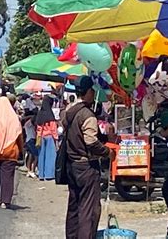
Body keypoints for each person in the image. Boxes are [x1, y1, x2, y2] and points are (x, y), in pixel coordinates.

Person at [63, 76, 114, 239]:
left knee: (74, 206)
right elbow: (91, 141)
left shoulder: (68, 112)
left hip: (72, 164)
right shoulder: (87, 115)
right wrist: (107, 152)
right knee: (89, 209)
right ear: (88, 92)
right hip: (86, 166)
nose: (94, 94)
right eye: (92, 91)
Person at [36, 95, 59, 180]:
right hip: (50, 137)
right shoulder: (50, 114)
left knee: (41, 156)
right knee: (50, 156)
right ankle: (49, 174)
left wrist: (38, 136)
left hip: (41, 137)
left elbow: (39, 127)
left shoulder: (40, 113)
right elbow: (53, 129)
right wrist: (56, 139)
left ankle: (41, 174)